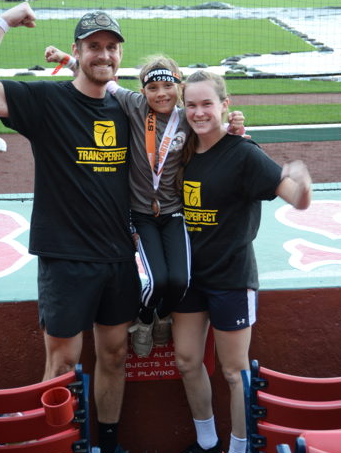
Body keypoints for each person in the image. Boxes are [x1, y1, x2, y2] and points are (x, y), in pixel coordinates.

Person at [0, 2, 151, 453]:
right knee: (62, 363)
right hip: (65, 257)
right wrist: (2, 21)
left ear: (119, 54)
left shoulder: (126, 107)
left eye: (111, 47)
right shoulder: (46, 100)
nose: (104, 55)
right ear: (77, 51)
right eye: (93, 46)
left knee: (115, 356)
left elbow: (186, 122)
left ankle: (109, 450)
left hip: (118, 256)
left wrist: (235, 129)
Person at [164, 71, 312, 453]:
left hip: (231, 277)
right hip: (190, 276)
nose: (198, 113)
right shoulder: (182, 149)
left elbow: (297, 198)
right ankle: (208, 443)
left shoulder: (244, 152)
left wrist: (302, 178)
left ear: (224, 105)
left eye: (207, 104)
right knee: (187, 361)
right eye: (191, 105)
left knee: (234, 371)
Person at [43, 49, 246, 357]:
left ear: (179, 88)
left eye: (168, 86)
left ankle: (163, 315)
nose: (161, 93)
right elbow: (100, 80)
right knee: (157, 280)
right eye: (153, 87)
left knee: (180, 280)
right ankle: (146, 318)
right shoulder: (135, 105)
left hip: (174, 212)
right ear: (142, 91)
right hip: (141, 214)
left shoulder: (188, 118)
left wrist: (236, 128)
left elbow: (218, 134)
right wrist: (66, 59)